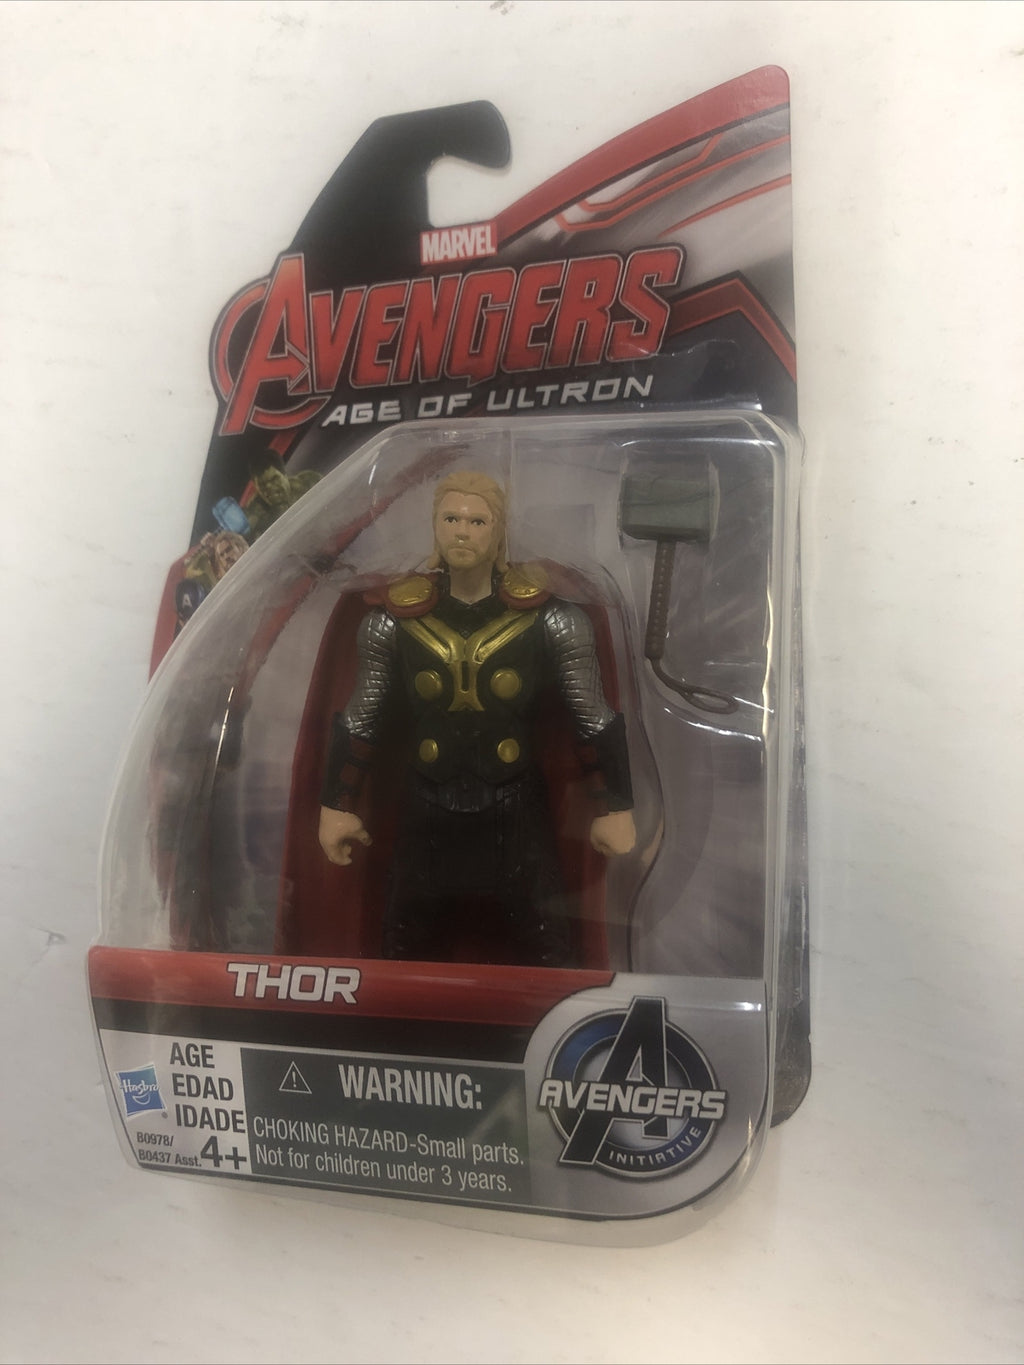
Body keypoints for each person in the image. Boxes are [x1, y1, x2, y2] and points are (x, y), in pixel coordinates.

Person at [317, 470, 635, 967]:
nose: (462, 531)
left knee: (549, 952)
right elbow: (363, 714)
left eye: (477, 521)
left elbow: (590, 715)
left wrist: (614, 806)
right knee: (402, 953)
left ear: (498, 531)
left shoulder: (553, 618)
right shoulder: (390, 620)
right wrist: (337, 803)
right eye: (451, 518)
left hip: (515, 803)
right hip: (427, 803)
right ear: (435, 527)